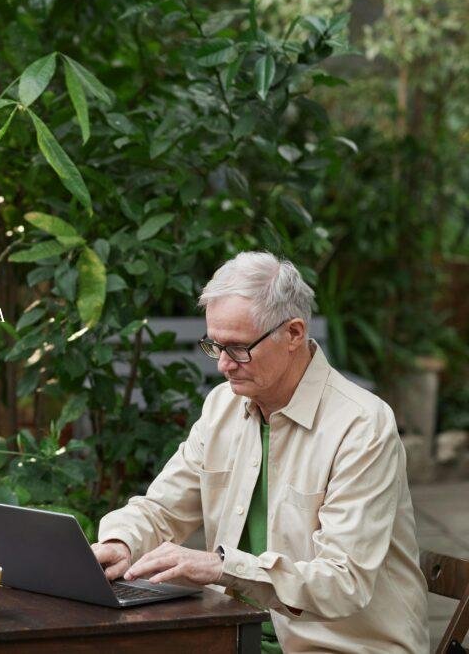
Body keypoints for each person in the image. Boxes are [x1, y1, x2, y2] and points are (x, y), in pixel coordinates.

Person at [92, 251, 428, 653]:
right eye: (214, 346)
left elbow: (343, 582)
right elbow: (162, 508)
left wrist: (221, 567)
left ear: (294, 334)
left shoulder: (361, 425)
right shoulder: (222, 407)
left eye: (237, 348)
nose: (222, 365)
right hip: (234, 638)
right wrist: (121, 543)